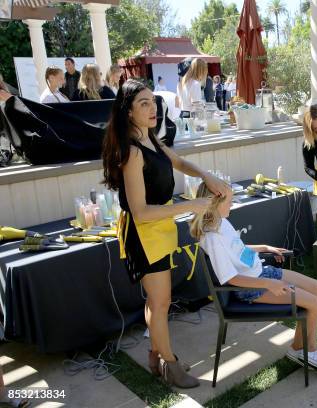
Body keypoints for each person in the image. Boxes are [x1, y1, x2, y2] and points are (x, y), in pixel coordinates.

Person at [101, 79, 230, 388]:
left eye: (153, 101)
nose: (153, 108)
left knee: (155, 303)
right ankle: (170, 366)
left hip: (158, 230)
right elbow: (141, 211)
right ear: (128, 112)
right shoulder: (131, 152)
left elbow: (179, 161)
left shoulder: (151, 140)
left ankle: (155, 355)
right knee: (160, 303)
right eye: (143, 104)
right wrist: (191, 204)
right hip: (143, 234)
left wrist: (206, 175)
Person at [191, 183, 317, 374]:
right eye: (229, 201)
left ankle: (297, 349)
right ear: (214, 203)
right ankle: (309, 350)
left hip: (263, 273)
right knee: (314, 303)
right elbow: (232, 279)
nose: (232, 204)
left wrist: (265, 247)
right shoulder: (211, 238)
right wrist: (269, 284)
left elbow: (238, 249)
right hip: (252, 288)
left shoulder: (221, 222)